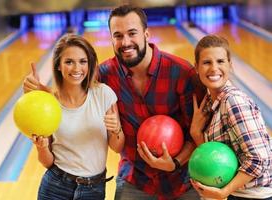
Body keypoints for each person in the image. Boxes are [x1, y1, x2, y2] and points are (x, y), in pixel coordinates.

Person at [24, 5, 205, 200]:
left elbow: (198, 131)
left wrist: (175, 163)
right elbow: (73, 89)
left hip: (181, 180)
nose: (125, 42)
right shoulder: (105, 75)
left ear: (146, 34)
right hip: (135, 178)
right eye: (118, 35)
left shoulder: (181, 72)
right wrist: (42, 92)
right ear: (111, 39)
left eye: (132, 33)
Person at [30, 34, 125, 200]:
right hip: (55, 187)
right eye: (69, 62)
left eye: (83, 61)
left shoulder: (103, 94)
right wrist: (42, 147)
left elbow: (117, 147)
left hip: (93, 190)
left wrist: (117, 129)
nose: (76, 69)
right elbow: (47, 162)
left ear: (89, 64)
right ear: (58, 65)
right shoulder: (50, 104)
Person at [190, 34, 272, 200]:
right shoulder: (210, 103)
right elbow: (214, 157)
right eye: (207, 62)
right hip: (238, 193)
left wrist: (223, 192)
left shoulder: (233, 101)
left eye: (220, 61)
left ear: (230, 65)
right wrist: (196, 134)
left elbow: (259, 159)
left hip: (255, 196)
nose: (214, 68)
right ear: (196, 67)